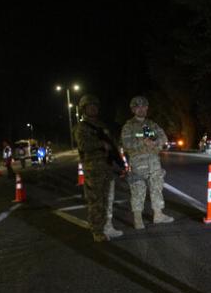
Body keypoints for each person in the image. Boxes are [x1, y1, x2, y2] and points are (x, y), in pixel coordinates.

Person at [74, 94, 124, 242]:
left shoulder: (102, 126)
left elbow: (113, 145)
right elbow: (83, 145)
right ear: (84, 109)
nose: (93, 108)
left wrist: (119, 162)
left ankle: (107, 227)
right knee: (96, 201)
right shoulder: (81, 127)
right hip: (93, 169)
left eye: (95, 106)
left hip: (107, 168)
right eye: (90, 106)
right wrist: (101, 144)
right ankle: (97, 231)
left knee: (107, 200)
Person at [121, 95, 174, 230]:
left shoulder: (151, 124)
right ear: (133, 109)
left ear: (147, 108)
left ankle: (158, 214)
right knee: (138, 190)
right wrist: (142, 142)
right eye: (138, 107)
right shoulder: (129, 127)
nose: (141, 109)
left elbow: (163, 137)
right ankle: (138, 219)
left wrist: (155, 142)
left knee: (157, 188)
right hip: (138, 164)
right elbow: (126, 144)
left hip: (154, 162)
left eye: (144, 106)